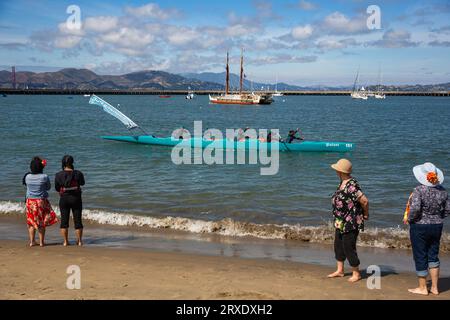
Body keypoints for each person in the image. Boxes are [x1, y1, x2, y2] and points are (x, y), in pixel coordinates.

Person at [404, 162, 449, 296]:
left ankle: (423, 288)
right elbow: (448, 210)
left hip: (420, 226)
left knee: (420, 254)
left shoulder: (419, 190)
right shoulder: (443, 190)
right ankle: (435, 288)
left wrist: (410, 219)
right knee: (433, 254)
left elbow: (416, 208)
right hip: (437, 225)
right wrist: (438, 217)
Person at [328, 159, 369, 282]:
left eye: (337, 170)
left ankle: (356, 273)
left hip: (350, 221)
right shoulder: (342, 182)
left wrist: (366, 214)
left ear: (340, 171)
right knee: (338, 245)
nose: (335, 171)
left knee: (348, 247)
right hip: (340, 221)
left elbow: (365, 201)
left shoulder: (352, 185)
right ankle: (340, 270)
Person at [24, 157, 58, 247]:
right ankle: (42, 242)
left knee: (31, 222)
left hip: (30, 201)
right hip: (41, 201)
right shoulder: (44, 176)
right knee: (41, 222)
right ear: (41, 167)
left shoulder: (27, 176)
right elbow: (48, 187)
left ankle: (32, 242)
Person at [55, 155, 85, 246]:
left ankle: (65, 241)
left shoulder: (58, 175)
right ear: (72, 163)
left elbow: (57, 188)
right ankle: (79, 241)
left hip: (64, 199)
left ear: (63, 163)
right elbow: (82, 183)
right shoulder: (78, 173)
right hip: (76, 198)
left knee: (64, 221)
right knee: (78, 220)